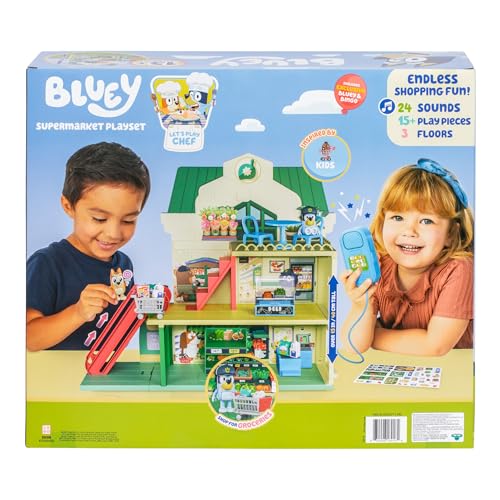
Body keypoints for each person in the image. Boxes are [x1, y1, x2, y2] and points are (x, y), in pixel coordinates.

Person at [340, 159, 473, 357]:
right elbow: (353, 346)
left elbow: (435, 346)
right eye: (398, 218)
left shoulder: (459, 269)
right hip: (399, 367)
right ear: (382, 223)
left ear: (451, 234)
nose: (409, 231)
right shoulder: (379, 264)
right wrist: (361, 305)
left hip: (450, 369)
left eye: (426, 221)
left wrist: (373, 336)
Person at [26, 142, 151, 351]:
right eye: (99, 219)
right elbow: (29, 338)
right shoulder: (47, 264)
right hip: (58, 371)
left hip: (105, 369)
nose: (113, 233)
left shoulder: (123, 264)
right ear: (68, 206)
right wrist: (78, 313)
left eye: (128, 220)